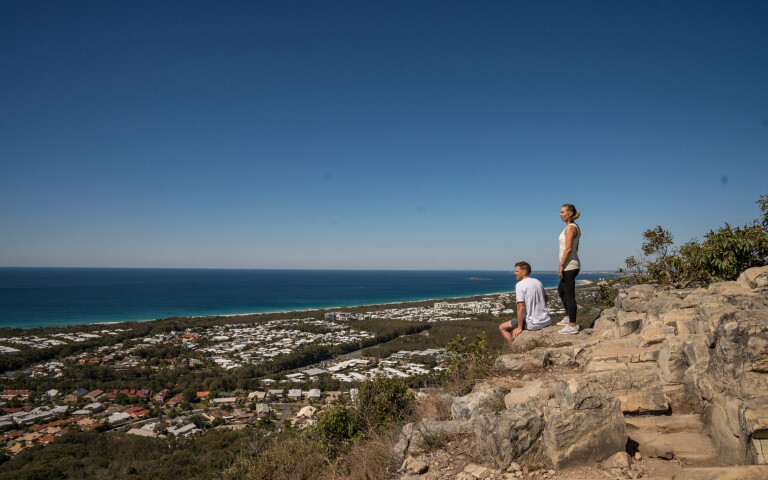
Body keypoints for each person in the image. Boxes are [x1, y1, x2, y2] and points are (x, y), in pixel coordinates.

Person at [499, 261, 551, 348]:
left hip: (533, 324)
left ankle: (513, 349)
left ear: (524, 272)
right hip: (546, 320)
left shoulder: (520, 285)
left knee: (502, 327)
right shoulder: (538, 282)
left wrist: (519, 328)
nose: (515, 273)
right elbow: (546, 298)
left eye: (517, 271)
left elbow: (520, 307)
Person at [556, 204, 581, 334]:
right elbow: (576, 248)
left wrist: (561, 265)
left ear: (570, 213)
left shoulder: (571, 227)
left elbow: (569, 248)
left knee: (569, 295)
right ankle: (568, 317)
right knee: (561, 290)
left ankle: (572, 326)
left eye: (562, 212)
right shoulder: (572, 227)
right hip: (571, 264)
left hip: (569, 266)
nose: (560, 214)